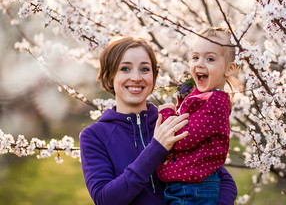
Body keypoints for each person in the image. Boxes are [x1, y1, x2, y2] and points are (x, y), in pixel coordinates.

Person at [79, 36, 237, 205]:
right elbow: (105, 199)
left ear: (154, 76)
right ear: (110, 76)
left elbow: (224, 181)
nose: (137, 77)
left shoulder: (171, 121)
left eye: (145, 69)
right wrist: (157, 148)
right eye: (125, 69)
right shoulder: (94, 136)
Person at [156, 27, 238, 205]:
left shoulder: (215, 101)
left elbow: (182, 138)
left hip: (194, 188)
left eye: (210, 59)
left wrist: (167, 112)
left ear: (230, 68)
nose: (200, 63)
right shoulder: (206, 98)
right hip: (188, 185)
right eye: (195, 57)